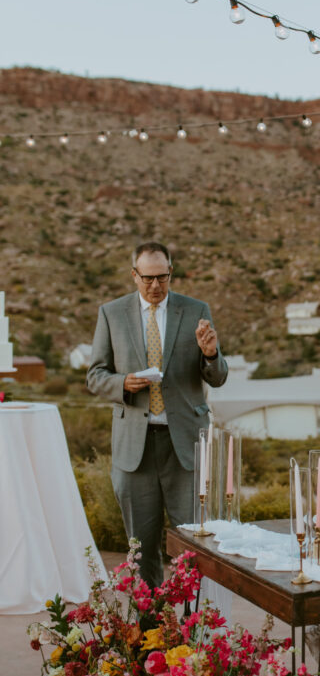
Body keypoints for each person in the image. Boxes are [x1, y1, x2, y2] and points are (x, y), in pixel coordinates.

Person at [87, 242, 228, 587]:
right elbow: (95, 375)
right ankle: (149, 629)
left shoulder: (196, 310)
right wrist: (124, 382)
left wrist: (210, 354)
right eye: (147, 278)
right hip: (135, 448)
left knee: (193, 544)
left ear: (171, 273)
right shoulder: (111, 313)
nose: (155, 286)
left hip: (185, 447)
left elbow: (218, 376)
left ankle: (195, 630)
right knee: (141, 547)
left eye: (162, 278)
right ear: (134, 275)